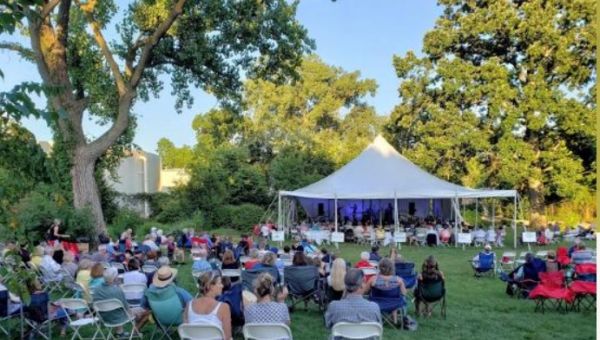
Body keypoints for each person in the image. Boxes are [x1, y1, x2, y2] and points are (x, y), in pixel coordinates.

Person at [93, 268, 149, 335]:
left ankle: (120, 332)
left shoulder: (96, 289)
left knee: (115, 309)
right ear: (115, 278)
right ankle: (135, 331)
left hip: (104, 317)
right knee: (146, 312)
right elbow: (126, 308)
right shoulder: (117, 290)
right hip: (118, 317)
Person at [185, 271, 231, 340]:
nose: (222, 286)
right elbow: (227, 337)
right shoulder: (223, 307)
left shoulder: (189, 305)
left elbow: (186, 334)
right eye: (220, 283)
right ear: (211, 286)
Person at [367, 258, 406, 323]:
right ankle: (395, 321)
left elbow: (365, 291)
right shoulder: (399, 280)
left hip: (377, 303)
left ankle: (376, 319)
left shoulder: (373, 279)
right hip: (394, 303)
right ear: (392, 268)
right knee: (396, 298)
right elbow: (404, 293)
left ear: (380, 267)